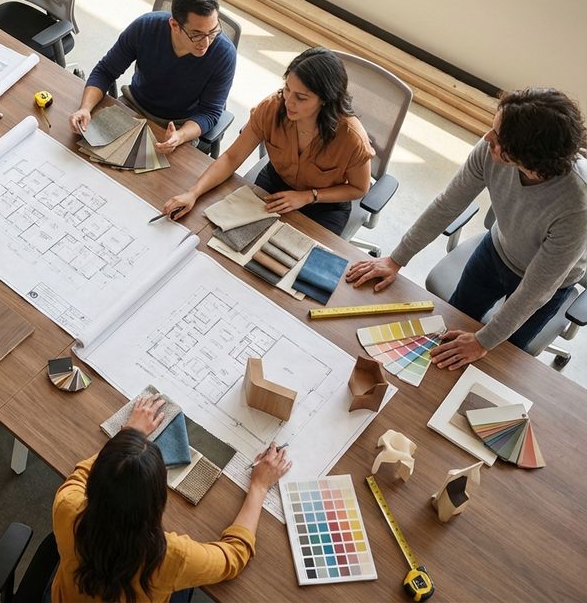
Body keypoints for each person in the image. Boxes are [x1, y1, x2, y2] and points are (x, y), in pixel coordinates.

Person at [346, 87, 587, 368]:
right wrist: (396, 259)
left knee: (499, 361)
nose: (487, 138)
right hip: (496, 251)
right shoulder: (489, 151)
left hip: (548, 285)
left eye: (497, 138)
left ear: (527, 158)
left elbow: (537, 287)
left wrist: (484, 342)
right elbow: (447, 205)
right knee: (450, 329)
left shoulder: (577, 205)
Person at [51, 394, 291, 602]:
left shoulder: (66, 506)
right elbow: (234, 556)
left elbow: (82, 474)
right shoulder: (170, 558)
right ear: (157, 503)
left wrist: (128, 438)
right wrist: (259, 486)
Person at [163, 47, 373, 236]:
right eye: (287, 89)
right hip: (276, 184)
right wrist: (192, 194)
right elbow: (231, 157)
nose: (289, 101)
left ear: (326, 99)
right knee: (233, 239)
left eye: (301, 98)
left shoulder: (351, 138)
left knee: (294, 266)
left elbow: (358, 188)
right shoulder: (272, 108)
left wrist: (309, 196)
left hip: (324, 204)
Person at [69, 0, 236, 154]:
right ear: (174, 25)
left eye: (213, 31)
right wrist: (85, 108)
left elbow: (209, 112)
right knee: (90, 155)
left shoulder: (224, 54)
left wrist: (180, 135)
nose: (206, 42)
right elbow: (106, 71)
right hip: (134, 105)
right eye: (196, 34)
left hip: (182, 124)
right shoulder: (145, 27)